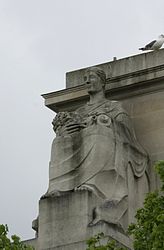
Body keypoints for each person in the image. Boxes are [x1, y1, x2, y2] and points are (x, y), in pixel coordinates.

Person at [44, 67, 149, 231]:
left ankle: (94, 184)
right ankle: (59, 187)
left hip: (103, 140)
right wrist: (64, 130)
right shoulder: (80, 111)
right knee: (59, 142)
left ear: (102, 82)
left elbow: (127, 131)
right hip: (80, 143)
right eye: (85, 78)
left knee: (99, 133)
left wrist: (106, 121)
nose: (87, 81)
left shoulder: (113, 107)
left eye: (91, 77)